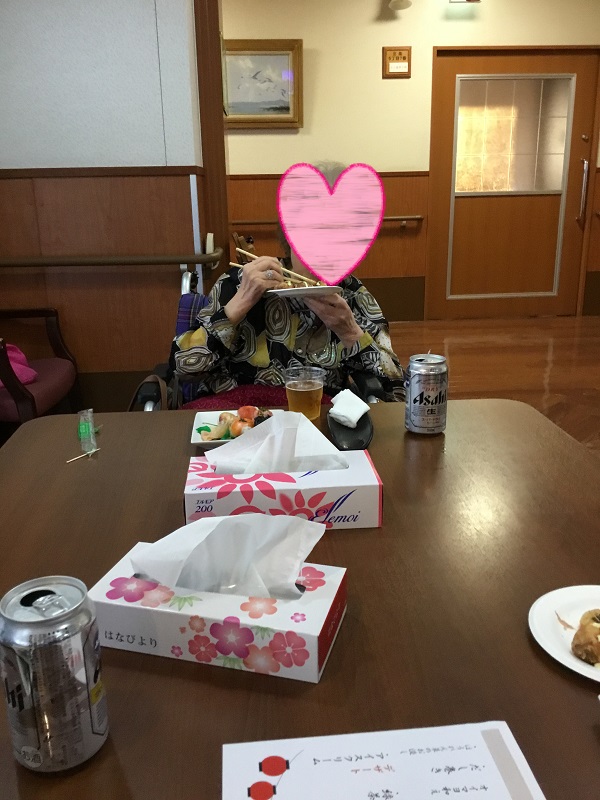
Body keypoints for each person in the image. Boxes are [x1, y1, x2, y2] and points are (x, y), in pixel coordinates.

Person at [171, 163, 404, 405]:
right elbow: (182, 369)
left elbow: (396, 393)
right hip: (234, 416)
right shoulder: (241, 281)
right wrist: (238, 306)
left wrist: (350, 332)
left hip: (315, 416)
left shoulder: (353, 295)